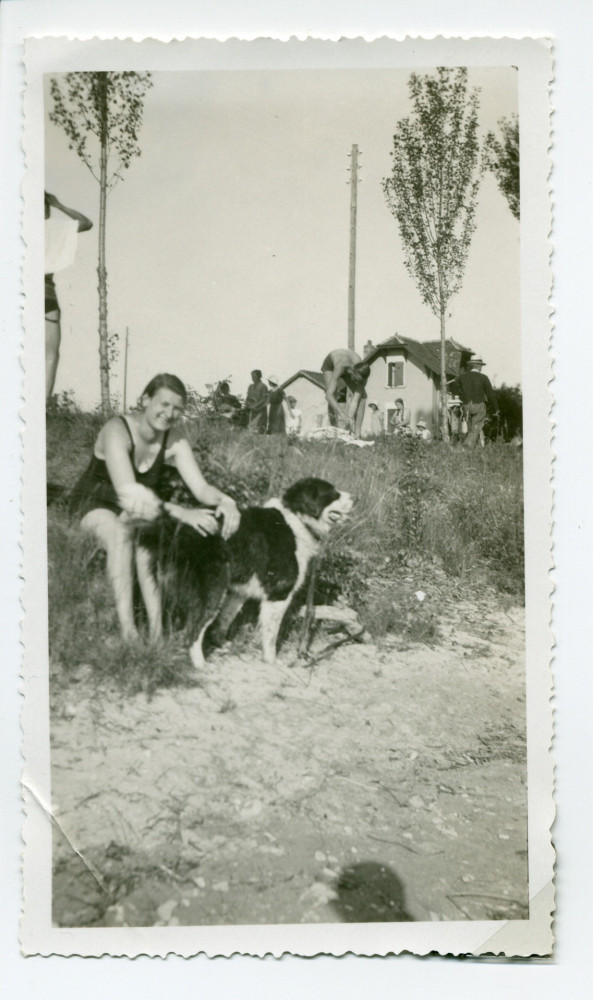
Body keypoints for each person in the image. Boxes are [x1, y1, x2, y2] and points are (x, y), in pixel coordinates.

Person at [69, 373, 240, 642]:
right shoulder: (117, 430)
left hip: (139, 509)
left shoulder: (174, 438)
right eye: (164, 404)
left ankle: (158, 631)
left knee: (148, 541)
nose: (169, 413)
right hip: (96, 503)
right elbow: (129, 494)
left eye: (177, 408)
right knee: (120, 535)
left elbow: (201, 489)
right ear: (146, 399)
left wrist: (227, 501)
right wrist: (183, 512)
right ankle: (129, 629)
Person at [45, 191, 93, 400]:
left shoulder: (43, 228)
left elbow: (86, 223)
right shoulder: (52, 228)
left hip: (36, 290)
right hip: (44, 292)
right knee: (50, 353)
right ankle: (43, 404)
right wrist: (59, 205)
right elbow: (85, 222)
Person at [321, 348, 371, 438]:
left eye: (359, 381)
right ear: (352, 372)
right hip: (331, 364)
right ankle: (333, 431)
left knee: (363, 397)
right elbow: (328, 395)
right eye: (355, 380)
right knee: (333, 393)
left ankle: (357, 434)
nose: (356, 383)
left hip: (349, 365)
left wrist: (349, 417)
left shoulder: (363, 377)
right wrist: (342, 413)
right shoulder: (341, 366)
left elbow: (355, 400)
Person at [451, 355, 498, 449]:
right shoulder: (483, 377)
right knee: (475, 429)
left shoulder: (462, 377)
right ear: (479, 366)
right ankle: (464, 447)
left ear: (472, 365)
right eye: (481, 366)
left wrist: (461, 395)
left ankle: (474, 451)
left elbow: (453, 388)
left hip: (466, 406)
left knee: (470, 429)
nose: (481, 368)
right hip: (479, 405)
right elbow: (490, 394)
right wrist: (496, 408)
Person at [244, 369, 268, 433]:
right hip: (251, 411)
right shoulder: (250, 386)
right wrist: (246, 403)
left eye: (254, 376)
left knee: (258, 429)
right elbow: (248, 397)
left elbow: (264, 399)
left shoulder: (263, 386)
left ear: (258, 376)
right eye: (252, 376)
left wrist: (255, 405)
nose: (252, 378)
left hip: (259, 410)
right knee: (250, 428)